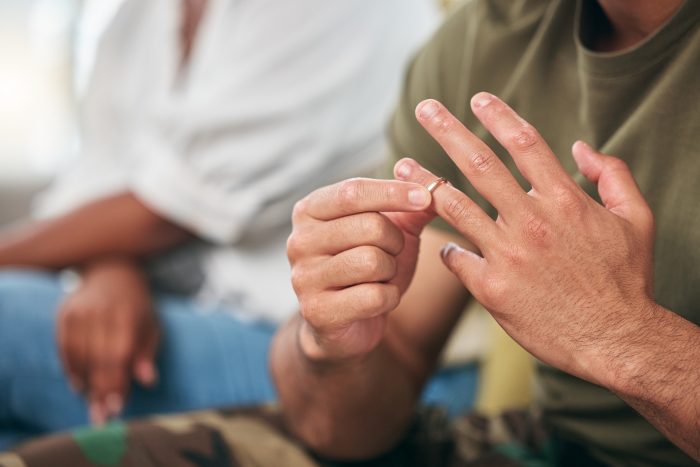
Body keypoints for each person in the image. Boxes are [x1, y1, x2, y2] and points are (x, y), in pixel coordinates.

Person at [1, 0, 698, 466]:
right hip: (549, 445)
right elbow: (343, 420)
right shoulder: (486, 39)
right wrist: (334, 344)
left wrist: (620, 336)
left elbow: (166, 206)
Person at [0, 0, 438, 448]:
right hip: (195, 308)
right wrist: (109, 266)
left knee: (7, 321)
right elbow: (97, 179)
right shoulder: (138, 18)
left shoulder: (334, 12)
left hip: (342, 352)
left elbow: (167, 211)